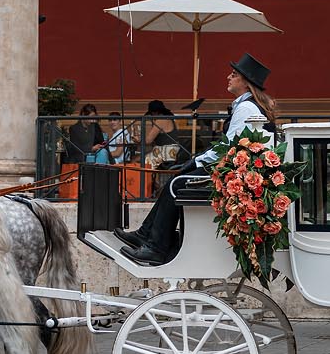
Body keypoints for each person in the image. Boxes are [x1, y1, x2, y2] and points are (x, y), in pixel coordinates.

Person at [114, 53, 274, 266]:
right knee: (176, 181)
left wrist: (197, 161)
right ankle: (146, 235)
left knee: (175, 185)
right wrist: (198, 160)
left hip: (236, 175)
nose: (228, 77)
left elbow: (229, 147)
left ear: (246, 83)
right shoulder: (249, 105)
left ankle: (156, 248)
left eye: (234, 75)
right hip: (238, 171)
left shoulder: (246, 108)